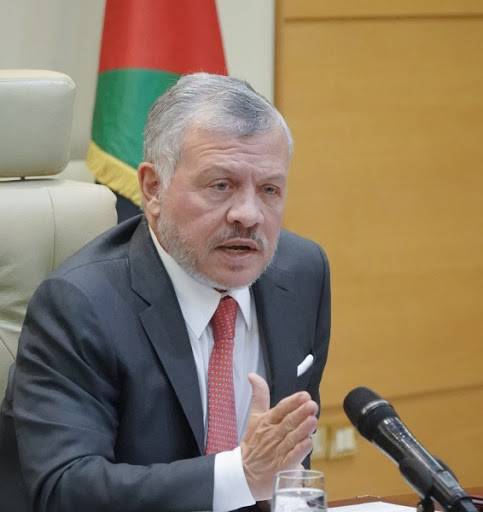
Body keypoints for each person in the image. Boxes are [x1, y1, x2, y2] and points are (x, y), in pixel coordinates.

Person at [10, 73, 330, 511]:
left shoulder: (302, 273)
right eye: (221, 186)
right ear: (153, 188)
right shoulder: (79, 305)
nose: (248, 214)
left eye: (269, 189)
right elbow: (66, 491)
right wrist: (239, 475)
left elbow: (283, 462)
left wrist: (260, 479)